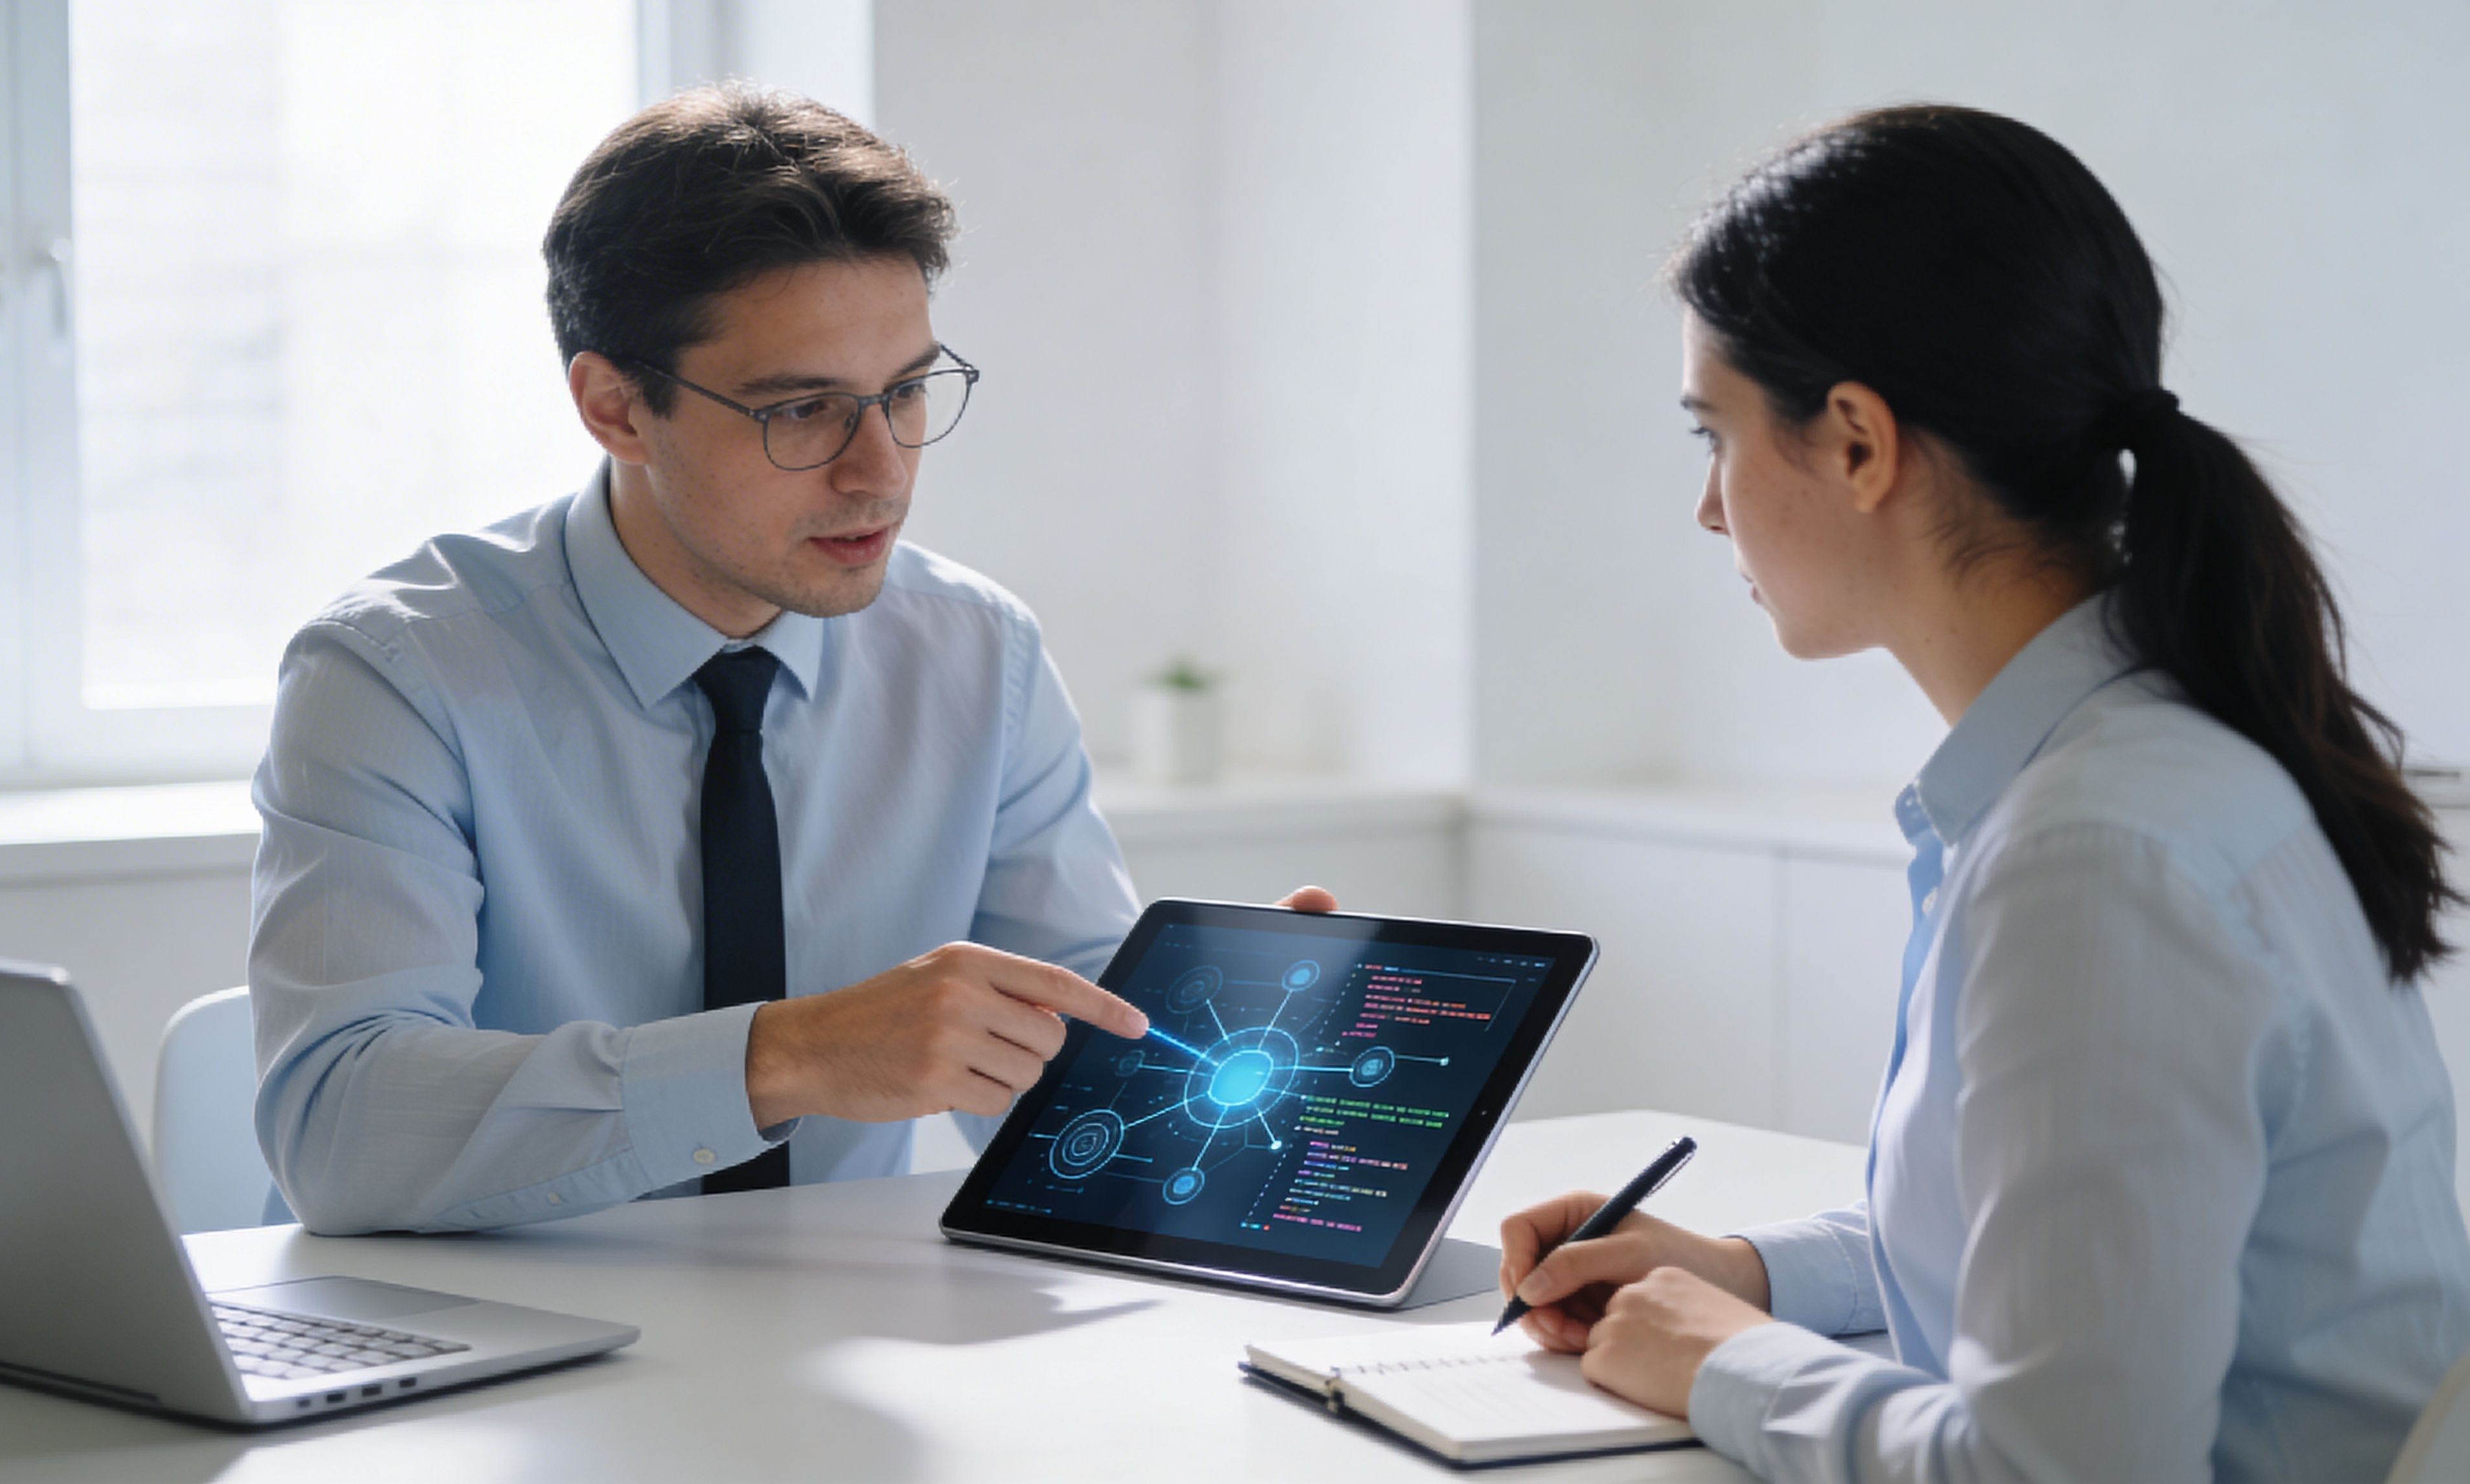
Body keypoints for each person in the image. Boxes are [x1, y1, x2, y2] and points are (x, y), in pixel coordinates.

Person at [1495, 104, 2470, 1480]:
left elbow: (2059, 1468)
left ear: (1856, 442)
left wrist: (1723, 1362)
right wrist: (1740, 1276)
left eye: (1713, 434)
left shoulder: (2101, 853)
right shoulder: (2136, 774)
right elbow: (2050, 1252)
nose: (1708, 508)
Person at [249, 86, 1319, 1234]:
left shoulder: (978, 655)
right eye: (803, 410)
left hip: (833, 1316)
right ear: (616, 409)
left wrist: (1211, 1050)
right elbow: (338, 1132)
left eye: (906, 392)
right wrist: (788, 1056)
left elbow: (1062, 1082)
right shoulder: (396, 673)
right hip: (481, 1324)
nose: (882, 472)